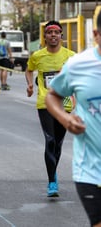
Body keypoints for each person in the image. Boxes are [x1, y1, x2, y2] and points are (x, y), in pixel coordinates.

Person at [45, 12, 101, 227]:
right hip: (91, 169)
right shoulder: (78, 65)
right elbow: (52, 95)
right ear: (96, 35)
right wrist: (65, 119)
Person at [25, 20, 75, 197]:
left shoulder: (71, 56)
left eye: (56, 32)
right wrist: (30, 85)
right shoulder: (37, 56)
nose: (53, 35)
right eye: (49, 32)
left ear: (61, 36)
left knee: (58, 144)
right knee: (50, 140)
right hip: (44, 103)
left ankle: (53, 175)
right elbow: (29, 70)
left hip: (65, 104)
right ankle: (52, 181)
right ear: (45, 36)